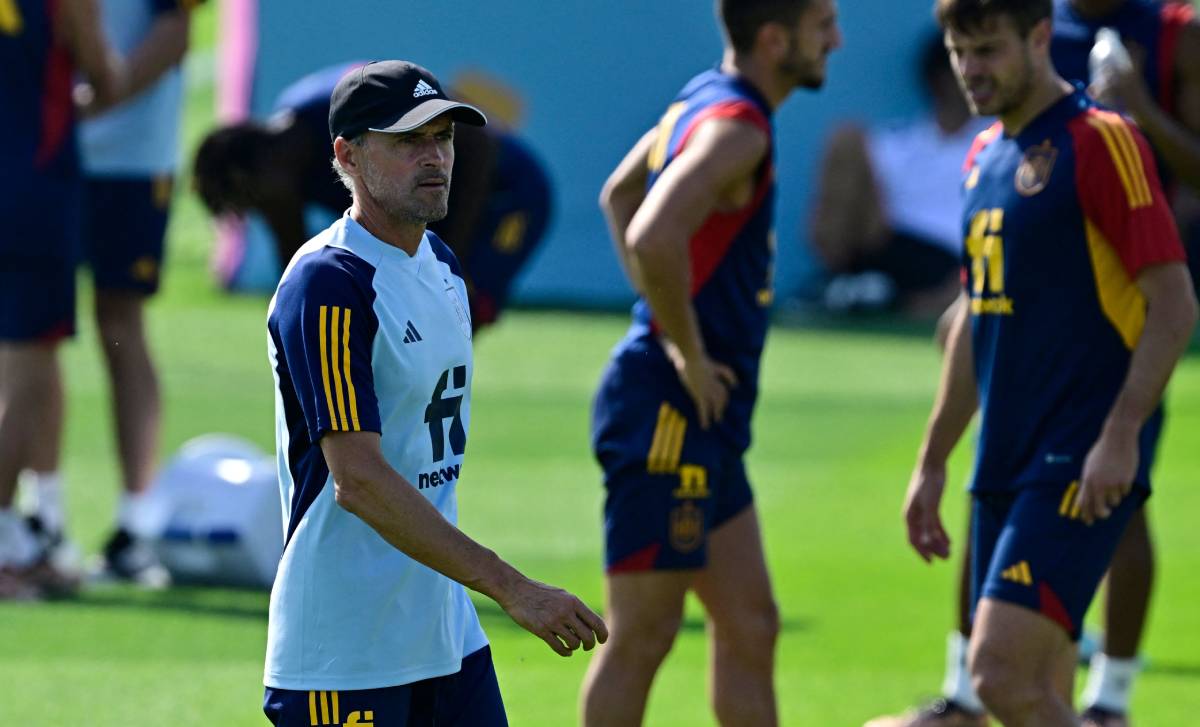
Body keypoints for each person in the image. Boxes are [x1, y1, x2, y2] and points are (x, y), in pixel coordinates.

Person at [868, 2, 1200, 725]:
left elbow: (1174, 303)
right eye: (960, 53)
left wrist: (1121, 433)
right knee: (1037, 683)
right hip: (1004, 457)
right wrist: (931, 461)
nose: (971, 70)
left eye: (988, 50)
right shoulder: (982, 156)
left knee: (999, 675)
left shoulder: (1101, 140)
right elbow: (971, 322)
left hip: (1076, 458)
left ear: (1040, 38)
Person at [262, 60, 606, 726]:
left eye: (444, 138)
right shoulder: (330, 285)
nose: (435, 157)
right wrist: (511, 586)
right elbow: (356, 479)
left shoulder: (442, 265)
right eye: (408, 140)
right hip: (346, 652)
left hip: (444, 635)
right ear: (347, 154)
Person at [580, 2, 841, 725]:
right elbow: (652, 228)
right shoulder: (737, 127)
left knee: (751, 622)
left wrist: (670, 326)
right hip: (670, 410)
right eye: (824, 25)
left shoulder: (705, 98)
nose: (837, 39)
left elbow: (619, 193)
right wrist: (684, 348)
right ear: (774, 38)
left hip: (702, 415)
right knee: (643, 634)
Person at [20, 0, 203, 589]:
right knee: (31, 336)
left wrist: (97, 99)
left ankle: (136, 524)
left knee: (120, 324)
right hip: (38, 156)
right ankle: (41, 516)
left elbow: (176, 29)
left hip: (130, 153)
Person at [193, 62, 552, 330]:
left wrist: (448, 260)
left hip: (505, 192)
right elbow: (299, 281)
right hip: (431, 211)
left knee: (459, 312)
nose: (263, 211)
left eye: (252, 199)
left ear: (256, 167)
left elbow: (477, 143)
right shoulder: (280, 177)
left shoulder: (335, 107)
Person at [0, 0, 132, 599]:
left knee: (32, 362)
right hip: (33, 187)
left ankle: (37, 535)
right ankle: (7, 543)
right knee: (26, 372)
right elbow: (105, 74)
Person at [811, 32, 987, 316]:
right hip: (887, 247)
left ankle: (878, 298)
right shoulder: (898, 141)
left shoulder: (997, 142)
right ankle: (850, 286)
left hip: (953, 264)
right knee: (846, 137)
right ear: (938, 79)